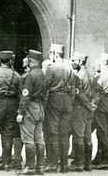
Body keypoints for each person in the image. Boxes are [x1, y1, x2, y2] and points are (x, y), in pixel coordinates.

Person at [43, 43, 76, 173]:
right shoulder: (70, 69)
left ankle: (52, 163)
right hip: (67, 100)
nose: (50, 56)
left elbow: (46, 86)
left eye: (51, 53)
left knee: (52, 132)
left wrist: (45, 103)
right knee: (64, 133)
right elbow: (73, 90)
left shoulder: (51, 68)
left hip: (54, 99)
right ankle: (64, 164)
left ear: (55, 54)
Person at [16, 49, 47, 175]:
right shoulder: (42, 74)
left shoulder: (30, 75)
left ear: (30, 60)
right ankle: (40, 166)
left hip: (30, 107)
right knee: (39, 138)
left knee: (28, 138)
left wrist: (20, 112)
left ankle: (30, 167)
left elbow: (25, 96)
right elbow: (46, 94)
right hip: (39, 107)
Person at [70, 51, 96, 171]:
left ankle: (78, 163)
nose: (72, 62)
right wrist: (92, 105)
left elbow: (80, 94)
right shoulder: (91, 75)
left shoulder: (78, 76)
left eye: (74, 61)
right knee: (87, 136)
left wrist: (88, 105)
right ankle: (88, 163)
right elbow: (97, 92)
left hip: (80, 108)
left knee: (78, 136)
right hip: (89, 110)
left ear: (80, 62)